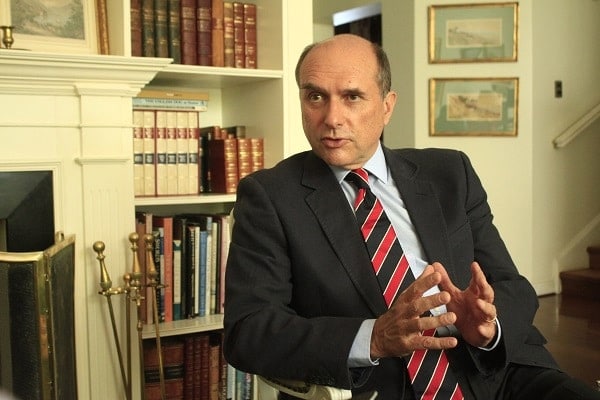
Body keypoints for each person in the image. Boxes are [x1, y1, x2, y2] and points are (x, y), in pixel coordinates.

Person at [223, 34, 600, 400]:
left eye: (352, 97)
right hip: (381, 385)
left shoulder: (450, 173)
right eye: (316, 96)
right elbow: (248, 332)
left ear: (387, 106)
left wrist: (489, 326)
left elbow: (511, 285)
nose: (332, 118)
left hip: (499, 370)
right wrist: (373, 337)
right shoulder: (270, 196)